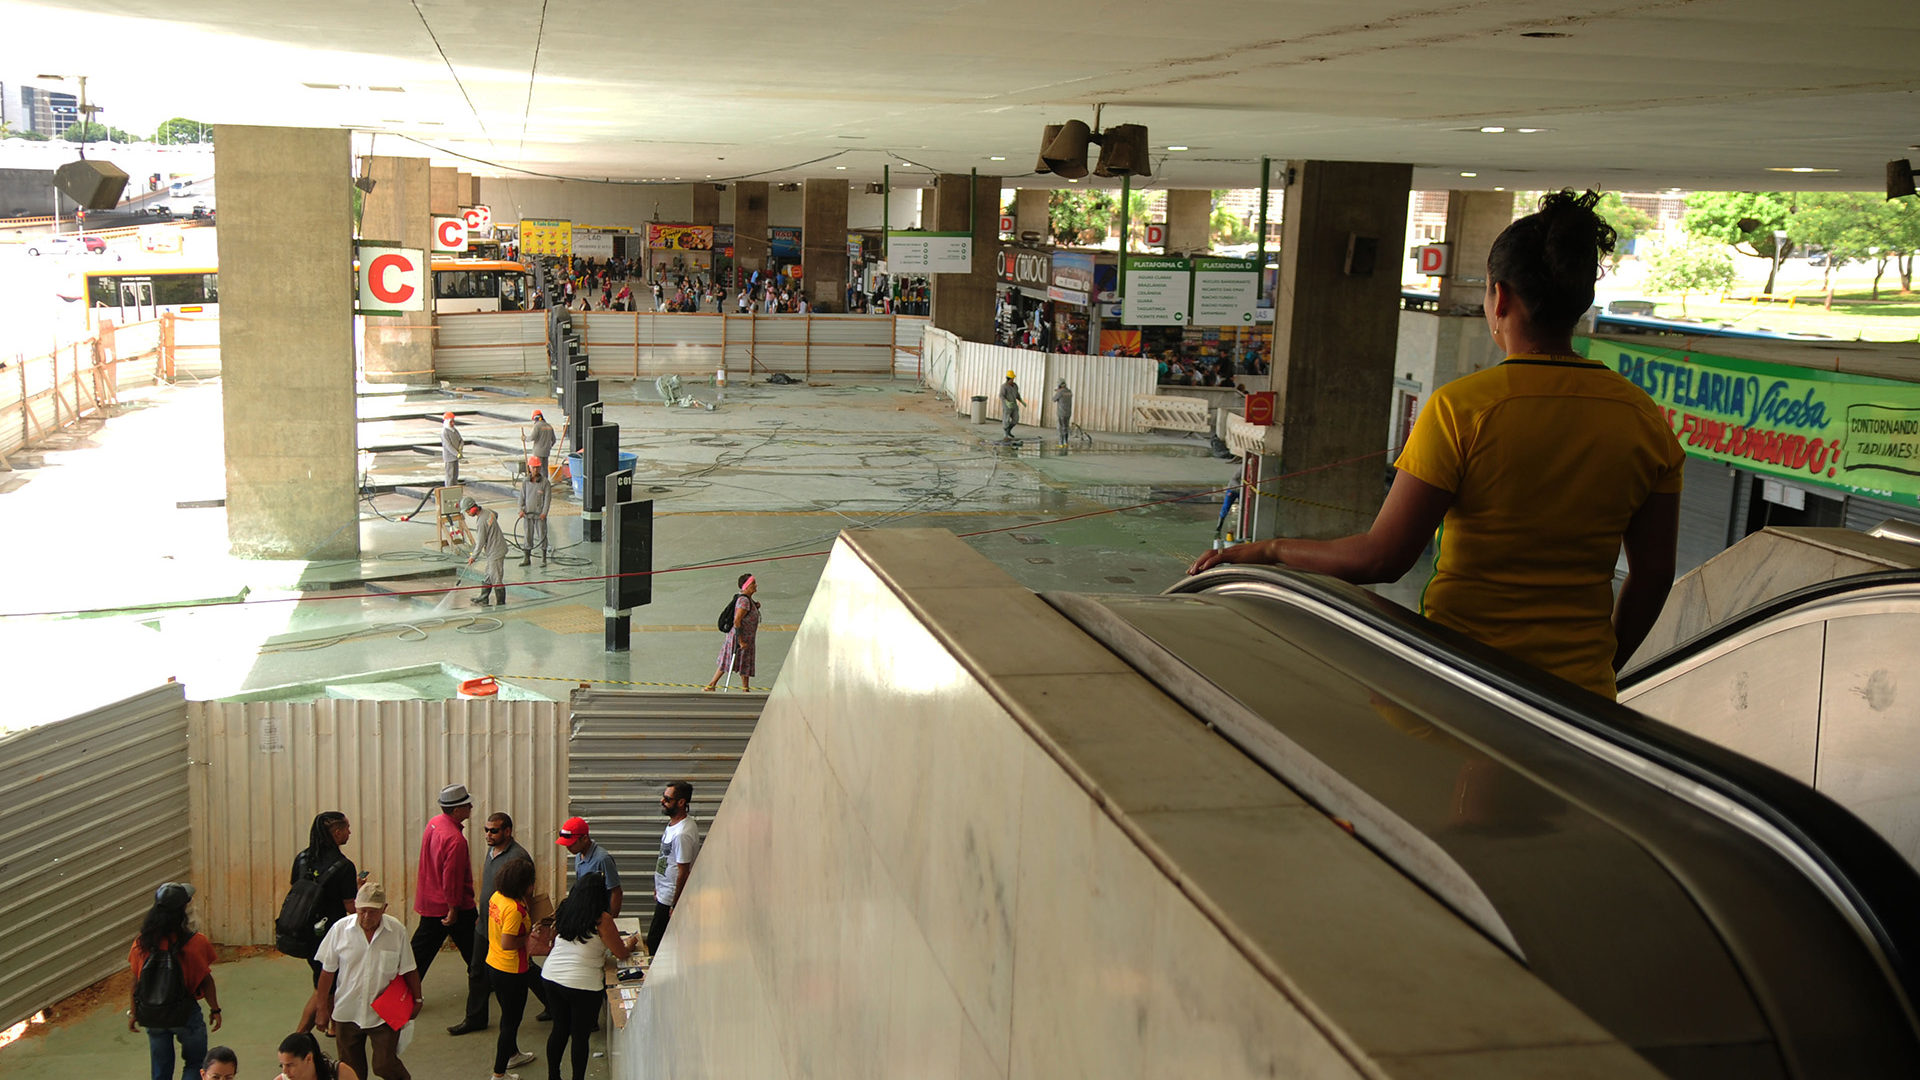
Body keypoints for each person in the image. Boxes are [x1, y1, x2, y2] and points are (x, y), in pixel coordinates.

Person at [1190, 189, 1682, 700]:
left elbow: (1381, 559)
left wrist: (1267, 550)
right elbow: (1653, 572)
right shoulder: (1644, 419)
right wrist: (1601, 670)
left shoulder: (1462, 408)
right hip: (1581, 699)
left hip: (1467, 683)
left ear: (1501, 298)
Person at [452, 812, 546, 1037]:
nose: (488, 835)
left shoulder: (519, 857)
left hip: (508, 926)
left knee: (526, 969)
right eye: (486, 830)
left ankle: (553, 1003)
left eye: (493, 830)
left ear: (507, 831)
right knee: (477, 970)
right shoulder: (492, 851)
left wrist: (527, 925)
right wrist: (481, 914)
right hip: (486, 923)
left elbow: (527, 894)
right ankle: (475, 1018)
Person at [316, 883, 421, 1080]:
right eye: (362, 911)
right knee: (351, 1071)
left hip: (383, 1014)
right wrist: (322, 1007)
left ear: (384, 908)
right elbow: (327, 972)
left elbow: (409, 968)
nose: (366, 917)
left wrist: (418, 999)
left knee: (384, 1065)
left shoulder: (396, 931)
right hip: (347, 1011)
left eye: (373, 912)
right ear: (355, 907)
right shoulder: (340, 930)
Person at [542, 872, 636, 1080]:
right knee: (580, 1036)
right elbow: (620, 953)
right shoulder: (602, 919)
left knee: (559, 1028)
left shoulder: (566, 909)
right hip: (583, 984)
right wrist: (631, 944)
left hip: (551, 976)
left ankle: (553, 1076)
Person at [129, 882, 221, 1080]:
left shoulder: (141, 944)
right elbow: (206, 980)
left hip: (153, 1016)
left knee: (160, 1070)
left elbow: (136, 982)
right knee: (195, 1063)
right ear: (182, 912)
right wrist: (215, 1009)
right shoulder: (196, 943)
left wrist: (133, 1013)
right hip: (185, 1014)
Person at [411, 783, 479, 978]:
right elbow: (452, 879)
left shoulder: (434, 823)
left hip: (430, 901)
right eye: (467, 805)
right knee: (474, 948)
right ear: (457, 810)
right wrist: (453, 908)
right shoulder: (455, 840)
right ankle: (482, 980)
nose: (471, 808)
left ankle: (403, 990)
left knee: (420, 951)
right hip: (452, 906)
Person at [483, 857, 540, 1079]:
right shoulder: (515, 910)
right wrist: (528, 936)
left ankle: (513, 1054)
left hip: (494, 964)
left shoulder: (497, 897)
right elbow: (509, 943)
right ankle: (498, 1073)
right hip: (512, 971)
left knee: (508, 1015)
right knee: (510, 1022)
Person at [288, 812, 361, 984]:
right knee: (327, 985)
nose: (349, 832)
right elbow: (350, 907)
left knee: (320, 978)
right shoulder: (345, 866)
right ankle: (319, 1011)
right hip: (329, 933)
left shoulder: (302, 859)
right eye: (347, 828)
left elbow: (295, 890)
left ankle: (323, 1009)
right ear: (337, 832)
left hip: (304, 931)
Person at [643, 781, 701, 958]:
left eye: (668, 799)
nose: (662, 801)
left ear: (681, 802)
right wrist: (658, 887)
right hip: (664, 892)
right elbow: (667, 860)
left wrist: (676, 903)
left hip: (670, 898)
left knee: (655, 941)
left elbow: (683, 871)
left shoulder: (682, 833)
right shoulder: (674, 825)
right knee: (660, 941)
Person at [703, 573, 760, 692]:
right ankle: (712, 684)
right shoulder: (744, 601)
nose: (756, 585)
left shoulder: (748, 600)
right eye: (753, 583)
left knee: (744, 662)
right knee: (728, 661)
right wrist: (740, 641)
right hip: (740, 638)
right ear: (747, 586)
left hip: (747, 638)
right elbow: (737, 620)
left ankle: (745, 689)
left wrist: (755, 606)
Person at [556, 816, 622, 917]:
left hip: (600, 916)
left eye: (571, 844)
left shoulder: (602, 859)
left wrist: (611, 919)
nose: (568, 847)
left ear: (585, 839)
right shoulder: (578, 856)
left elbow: (616, 892)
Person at [463, 497, 508, 607]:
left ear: (473, 509)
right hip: (495, 548)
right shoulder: (487, 511)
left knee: (496, 577)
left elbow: (480, 543)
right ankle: (484, 598)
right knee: (488, 574)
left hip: (496, 550)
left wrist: (473, 557)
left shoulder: (481, 522)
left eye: (467, 511)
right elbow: (495, 514)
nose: (467, 514)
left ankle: (501, 604)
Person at [518, 458, 551, 567]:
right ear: (529, 468)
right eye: (533, 467)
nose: (535, 469)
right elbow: (521, 497)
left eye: (537, 467)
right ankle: (527, 558)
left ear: (540, 468)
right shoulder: (525, 482)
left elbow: (547, 500)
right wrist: (521, 510)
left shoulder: (545, 483)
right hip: (528, 515)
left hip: (539, 515)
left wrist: (544, 513)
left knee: (542, 535)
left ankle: (543, 558)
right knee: (528, 536)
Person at [998, 370, 1026, 442]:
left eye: (1013, 379)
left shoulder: (1015, 386)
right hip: (1007, 406)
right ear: (1008, 379)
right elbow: (1001, 395)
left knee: (1016, 419)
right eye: (1011, 379)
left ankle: (1009, 430)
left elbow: (1017, 394)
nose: (1013, 380)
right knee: (1006, 420)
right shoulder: (1004, 386)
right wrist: (1006, 402)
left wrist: (1021, 401)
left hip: (1014, 405)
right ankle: (1005, 435)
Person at [440, 413, 463, 489]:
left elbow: (461, 440)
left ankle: (454, 490)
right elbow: (448, 446)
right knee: (450, 476)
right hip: (449, 457)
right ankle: (449, 491)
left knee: (455, 475)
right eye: (451, 422)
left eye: (453, 421)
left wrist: (460, 448)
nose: (453, 423)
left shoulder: (454, 430)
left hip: (456, 457)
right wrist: (457, 454)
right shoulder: (444, 432)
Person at [1051, 378, 1074, 448]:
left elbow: (1053, 399)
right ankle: (1066, 442)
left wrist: (1058, 391)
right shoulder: (1069, 391)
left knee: (1060, 427)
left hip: (1061, 413)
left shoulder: (1060, 392)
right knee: (1066, 427)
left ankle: (1060, 443)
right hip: (1068, 413)